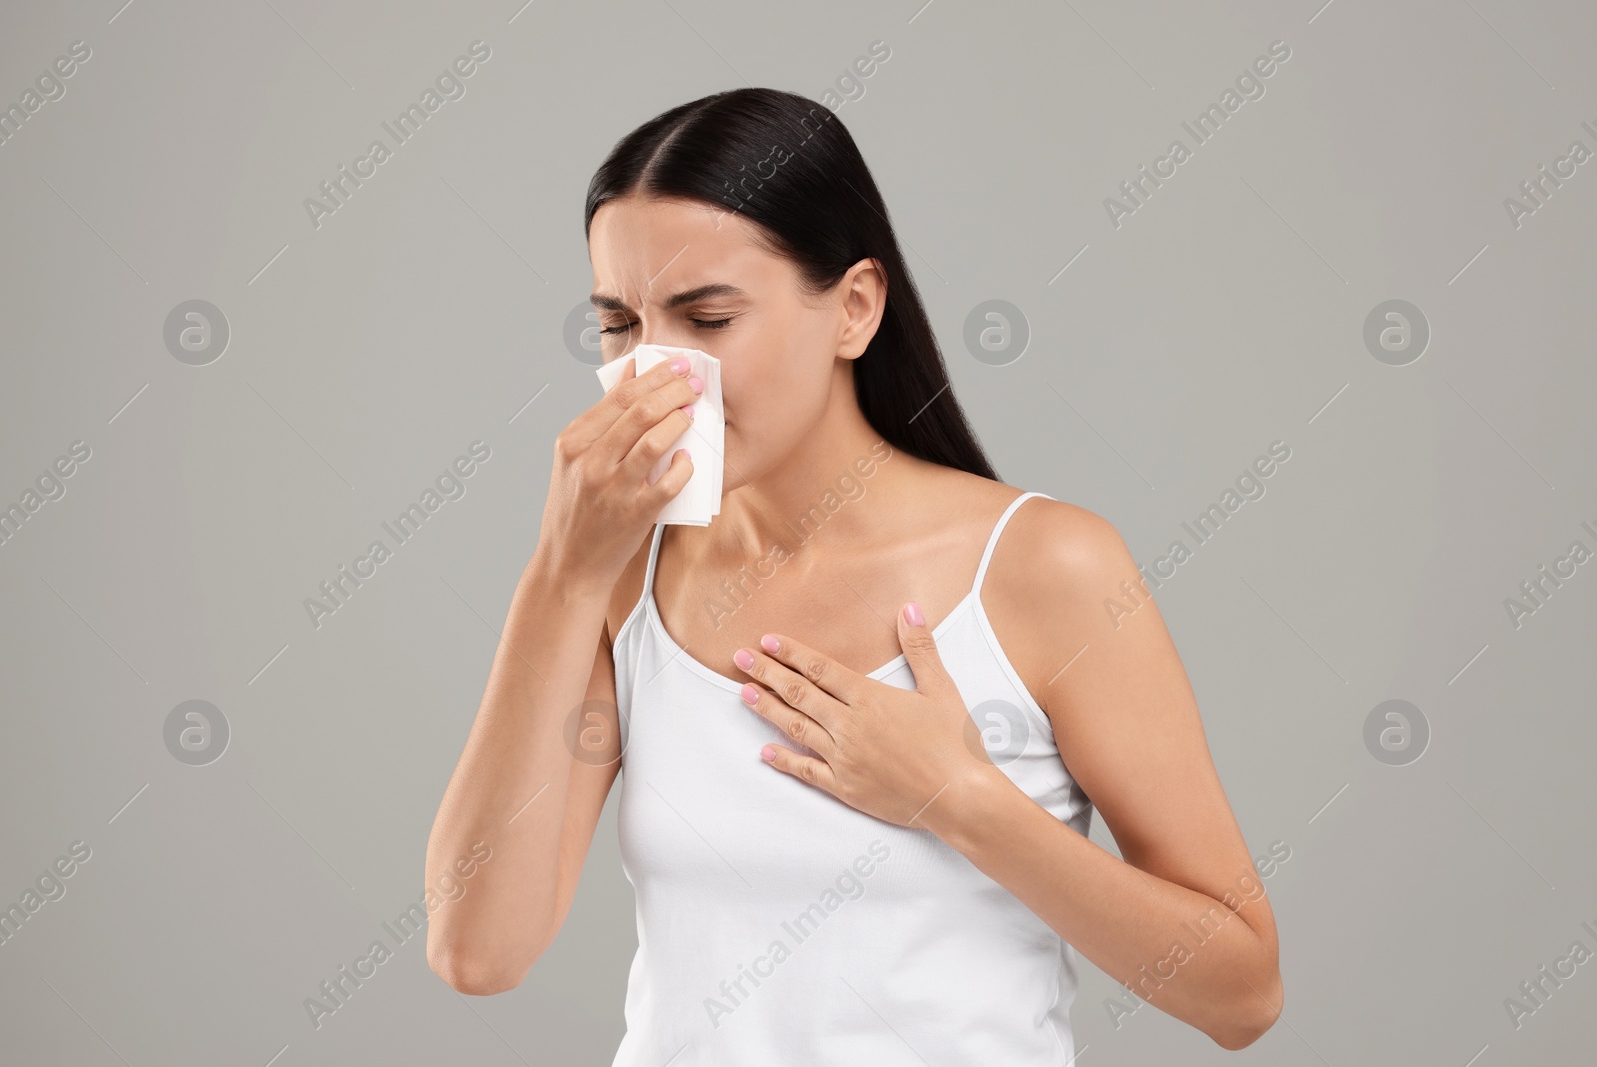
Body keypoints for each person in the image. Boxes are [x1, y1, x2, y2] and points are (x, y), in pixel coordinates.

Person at [425, 87, 1282, 1064]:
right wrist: (560, 572)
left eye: (706, 318)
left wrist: (959, 795)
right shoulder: (620, 579)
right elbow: (476, 950)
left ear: (854, 309)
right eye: (619, 324)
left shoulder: (1047, 567)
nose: (656, 372)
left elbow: (1241, 992)